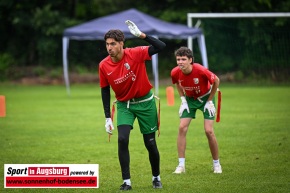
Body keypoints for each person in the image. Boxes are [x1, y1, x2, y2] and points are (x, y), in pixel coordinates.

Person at [99, 20, 166, 190]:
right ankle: (126, 182)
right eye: (107, 44)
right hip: (124, 106)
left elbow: (161, 46)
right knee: (122, 139)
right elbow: (105, 91)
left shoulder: (135, 53)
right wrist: (107, 117)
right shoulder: (103, 65)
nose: (109, 48)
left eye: (113, 44)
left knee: (150, 143)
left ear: (122, 44)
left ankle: (156, 177)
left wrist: (142, 36)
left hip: (145, 104)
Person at [170, 46, 222, 174]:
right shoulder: (175, 72)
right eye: (178, 59)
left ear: (190, 60)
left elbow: (216, 80)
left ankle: (217, 164)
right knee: (182, 128)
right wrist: (182, 100)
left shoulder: (200, 70)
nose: (180, 62)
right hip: (190, 100)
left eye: (183, 59)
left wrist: (210, 100)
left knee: (209, 131)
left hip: (206, 98)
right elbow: (177, 83)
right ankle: (181, 166)